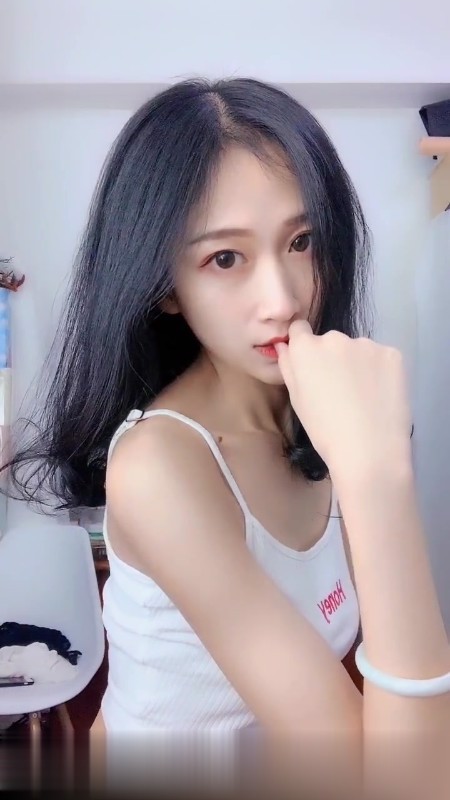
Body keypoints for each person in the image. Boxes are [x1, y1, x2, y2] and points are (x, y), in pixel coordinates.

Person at [6, 78, 450, 797]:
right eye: (225, 258)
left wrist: (369, 460)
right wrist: (378, 476)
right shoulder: (160, 468)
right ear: (165, 285)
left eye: (302, 241)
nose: (282, 299)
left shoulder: (320, 411)